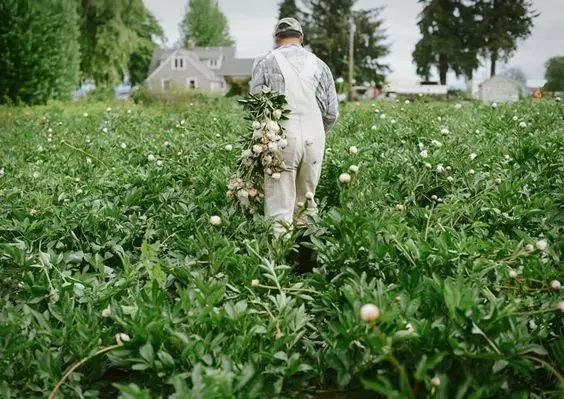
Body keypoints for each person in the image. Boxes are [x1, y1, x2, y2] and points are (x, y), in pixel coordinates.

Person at [250, 17, 339, 242]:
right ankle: (307, 259)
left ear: (276, 39)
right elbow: (331, 113)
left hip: (279, 139)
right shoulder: (321, 65)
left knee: (280, 205)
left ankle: (280, 264)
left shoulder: (265, 62)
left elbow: (257, 106)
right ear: (301, 38)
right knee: (306, 201)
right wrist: (316, 132)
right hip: (314, 137)